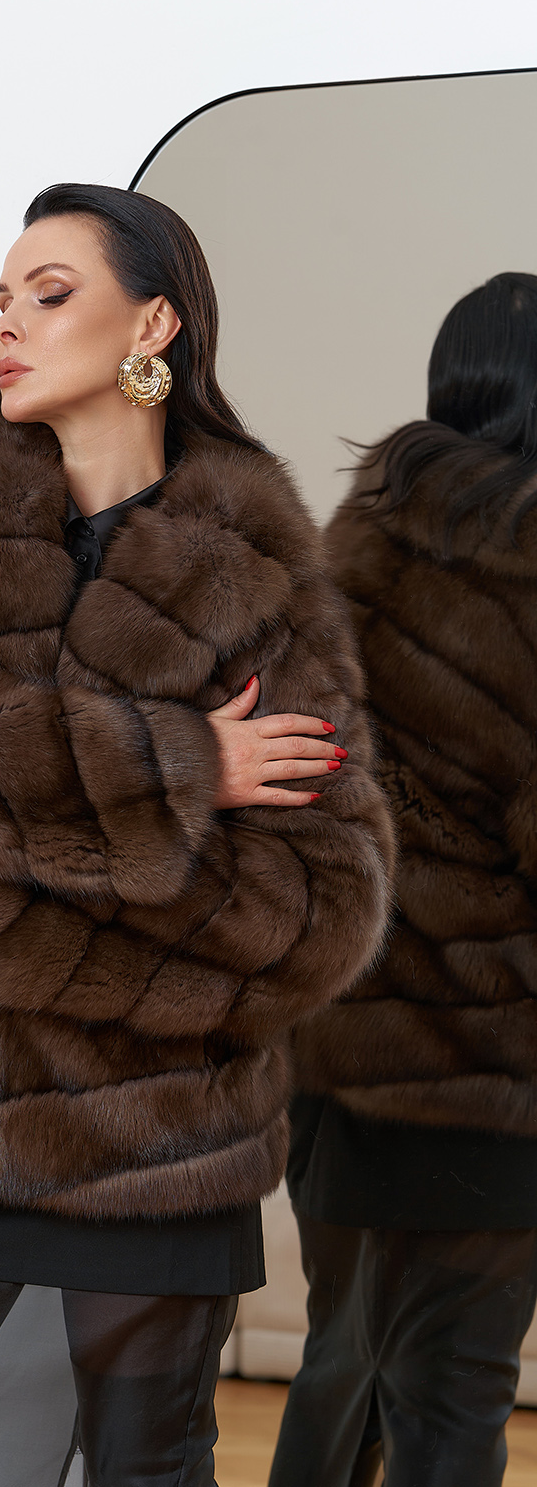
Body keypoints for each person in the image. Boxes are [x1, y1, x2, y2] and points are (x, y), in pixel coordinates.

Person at [0, 183, 393, 1487]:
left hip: (160, 1134)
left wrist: (8, 847)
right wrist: (179, 767)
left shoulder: (261, 572)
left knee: (147, 1467)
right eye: (1, 299)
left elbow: (326, 901)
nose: (7, 323)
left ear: (152, 323)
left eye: (49, 295)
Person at [271, 272, 537, 1487]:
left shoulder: (345, 548)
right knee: (455, 1392)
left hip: (334, 1050)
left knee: (341, 1364)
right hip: (487, 1070)